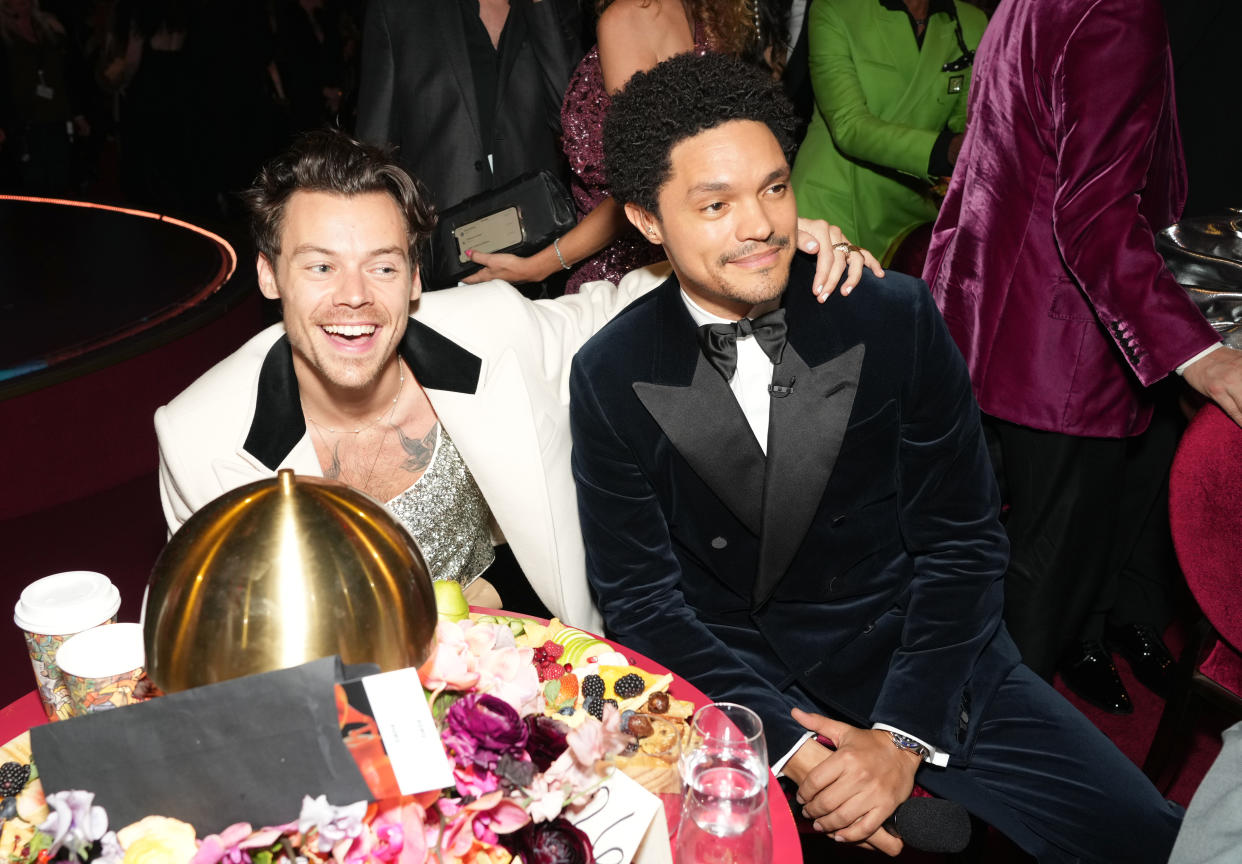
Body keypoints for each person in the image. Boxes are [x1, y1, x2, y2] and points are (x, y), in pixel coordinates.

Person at [570, 51, 1182, 859]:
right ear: (648, 221)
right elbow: (645, 605)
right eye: (714, 204)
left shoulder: (889, 313)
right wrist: (798, 757)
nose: (759, 225)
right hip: (753, 695)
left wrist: (899, 738)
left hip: (931, 659)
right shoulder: (611, 373)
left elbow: (963, 544)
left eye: (775, 188)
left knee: (1158, 842)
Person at [154, 129, 871, 630]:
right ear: (269, 275)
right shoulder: (202, 438)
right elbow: (233, 654)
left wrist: (761, 247)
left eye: (382, 265)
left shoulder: (491, 328)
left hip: (531, 661)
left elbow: (618, 305)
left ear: (412, 281)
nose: (354, 297)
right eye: (319, 267)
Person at [921, 0, 1242, 713]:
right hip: (1061, 353)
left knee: (959, 560)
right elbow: (1096, 220)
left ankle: (933, 734)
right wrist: (1203, 358)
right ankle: (981, 778)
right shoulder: (1122, 14)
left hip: (981, 318)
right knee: (1039, 601)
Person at [463, 0, 780, 293]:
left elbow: (640, 183)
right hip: (680, 254)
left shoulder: (629, 17)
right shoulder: (701, 12)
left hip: (623, 270)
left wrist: (539, 265)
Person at [789, 0, 985, 264]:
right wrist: (948, 150)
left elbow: (966, 121)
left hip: (909, 217)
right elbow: (850, 126)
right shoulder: (836, 8)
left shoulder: (972, 22)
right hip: (832, 208)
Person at [355, 0, 583, 217]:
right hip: (438, 235)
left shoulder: (553, 8)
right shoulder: (399, 8)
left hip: (538, 232)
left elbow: (573, 121)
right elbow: (375, 150)